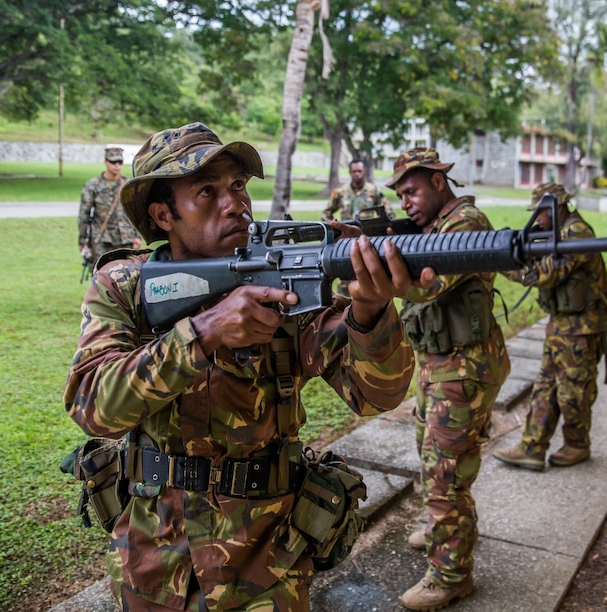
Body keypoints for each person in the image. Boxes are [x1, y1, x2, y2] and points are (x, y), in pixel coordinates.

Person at [63, 123, 431, 611]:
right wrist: (204, 333)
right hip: (152, 558)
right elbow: (92, 405)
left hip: (265, 561)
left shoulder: (284, 279)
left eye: (237, 185)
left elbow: (376, 395)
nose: (234, 203)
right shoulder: (125, 286)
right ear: (162, 214)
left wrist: (370, 312)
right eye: (207, 192)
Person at [386, 147, 510, 611]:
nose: (405, 202)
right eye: (400, 195)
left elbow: (428, 285)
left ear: (439, 181)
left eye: (412, 190)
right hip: (441, 365)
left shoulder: (466, 224)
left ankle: (451, 574)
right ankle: (445, 529)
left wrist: (378, 264)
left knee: (445, 474)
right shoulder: (433, 227)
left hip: (464, 368)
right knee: (432, 457)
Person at [492, 183, 607, 471]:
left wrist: (501, 263)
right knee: (545, 387)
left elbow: (546, 274)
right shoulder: (556, 232)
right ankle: (532, 447)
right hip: (561, 324)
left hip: (582, 328)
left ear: (557, 208)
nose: (536, 221)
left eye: (540, 214)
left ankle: (577, 444)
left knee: (573, 391)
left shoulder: (576, 233)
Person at [322, 158, 395, 296]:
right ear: (350, 172)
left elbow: (389, 213)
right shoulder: (340, 192)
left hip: (366, 241)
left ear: (364, 172)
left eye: (359, 171)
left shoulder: (372, 191)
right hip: (344, 244)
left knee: (369, 277)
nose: (357, 174)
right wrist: (334, 229)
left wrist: (379, 232)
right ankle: (343, 309)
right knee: (345, 279)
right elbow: (326, 213)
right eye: (354, 171)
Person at [77, 146, 141, 269]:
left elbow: (137, 212)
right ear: (105, 162)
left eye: (120, 162)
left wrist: (137, 236)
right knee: (100, 277)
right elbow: (83, 215)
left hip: (125, 238)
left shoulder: (129, 185)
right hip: (102, 239)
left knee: (126, 276)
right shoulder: (93, 185)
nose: (117, 165)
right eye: (113, 162)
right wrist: (82, 241)